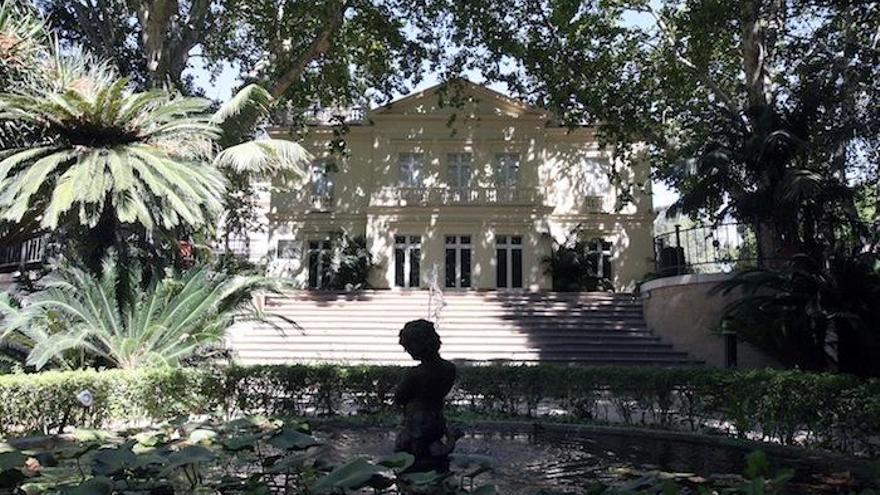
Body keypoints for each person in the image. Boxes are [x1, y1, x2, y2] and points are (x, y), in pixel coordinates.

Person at [394, 319, 462, 472]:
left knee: (413, 459)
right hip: (436, 418)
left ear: (420, 345)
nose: (407, 351)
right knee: (434, 456)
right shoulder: (449, 368)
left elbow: (399, 397)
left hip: (417, 422)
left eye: (409, 346)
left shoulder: (414, 374)